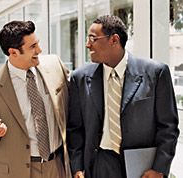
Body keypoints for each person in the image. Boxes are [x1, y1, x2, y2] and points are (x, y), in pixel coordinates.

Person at [66, 15, 179, 178]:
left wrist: (159, 168)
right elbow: (75, 128)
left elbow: (168, 127)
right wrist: (77, 168)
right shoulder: (80, 78)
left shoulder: (156, 73)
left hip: (141, 167)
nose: (87, 44)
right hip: (99, 163)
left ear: (114, 40)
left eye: (93, 38)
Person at [0, 20, 71, 178]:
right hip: (19, 170)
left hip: (58, 165)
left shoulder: (54, 65)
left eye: (37, 43)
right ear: (13, 52)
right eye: (32, 47)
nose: (39, 50)